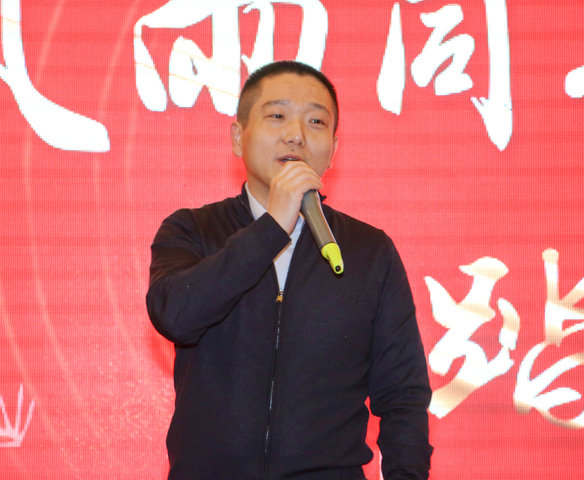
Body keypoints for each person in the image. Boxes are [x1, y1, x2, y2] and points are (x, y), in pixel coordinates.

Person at [146, 60, 433, 480]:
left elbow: (403, 393)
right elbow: (176, 316)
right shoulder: (192, 230)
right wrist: (272, 227)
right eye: (277, 115)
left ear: (333, 148)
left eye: (316, 121)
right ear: (238, 137)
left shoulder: (369, 251)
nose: (296, 135)